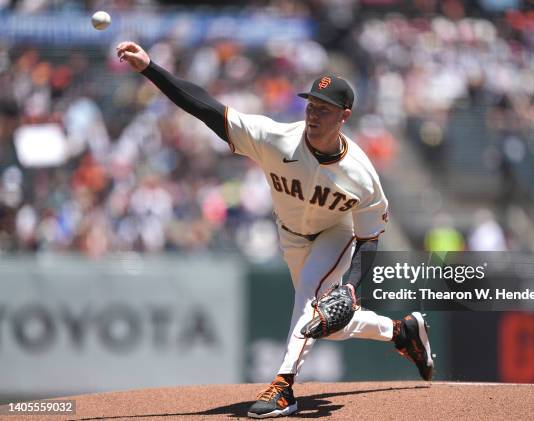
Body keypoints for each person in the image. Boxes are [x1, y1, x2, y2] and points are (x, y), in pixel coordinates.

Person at [116, 41, 434, 419]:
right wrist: (151, 68)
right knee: (326, 325)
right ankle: (401, 332)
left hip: (336, 233)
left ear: (344, 115)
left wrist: (351, 285)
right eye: (311, 104)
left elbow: (369, 239)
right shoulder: (275, 137)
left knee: (309, 299)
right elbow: (204, 107)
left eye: (325, 108)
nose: (314, 113)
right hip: (291, 237)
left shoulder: (362, 177)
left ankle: (283, 387)